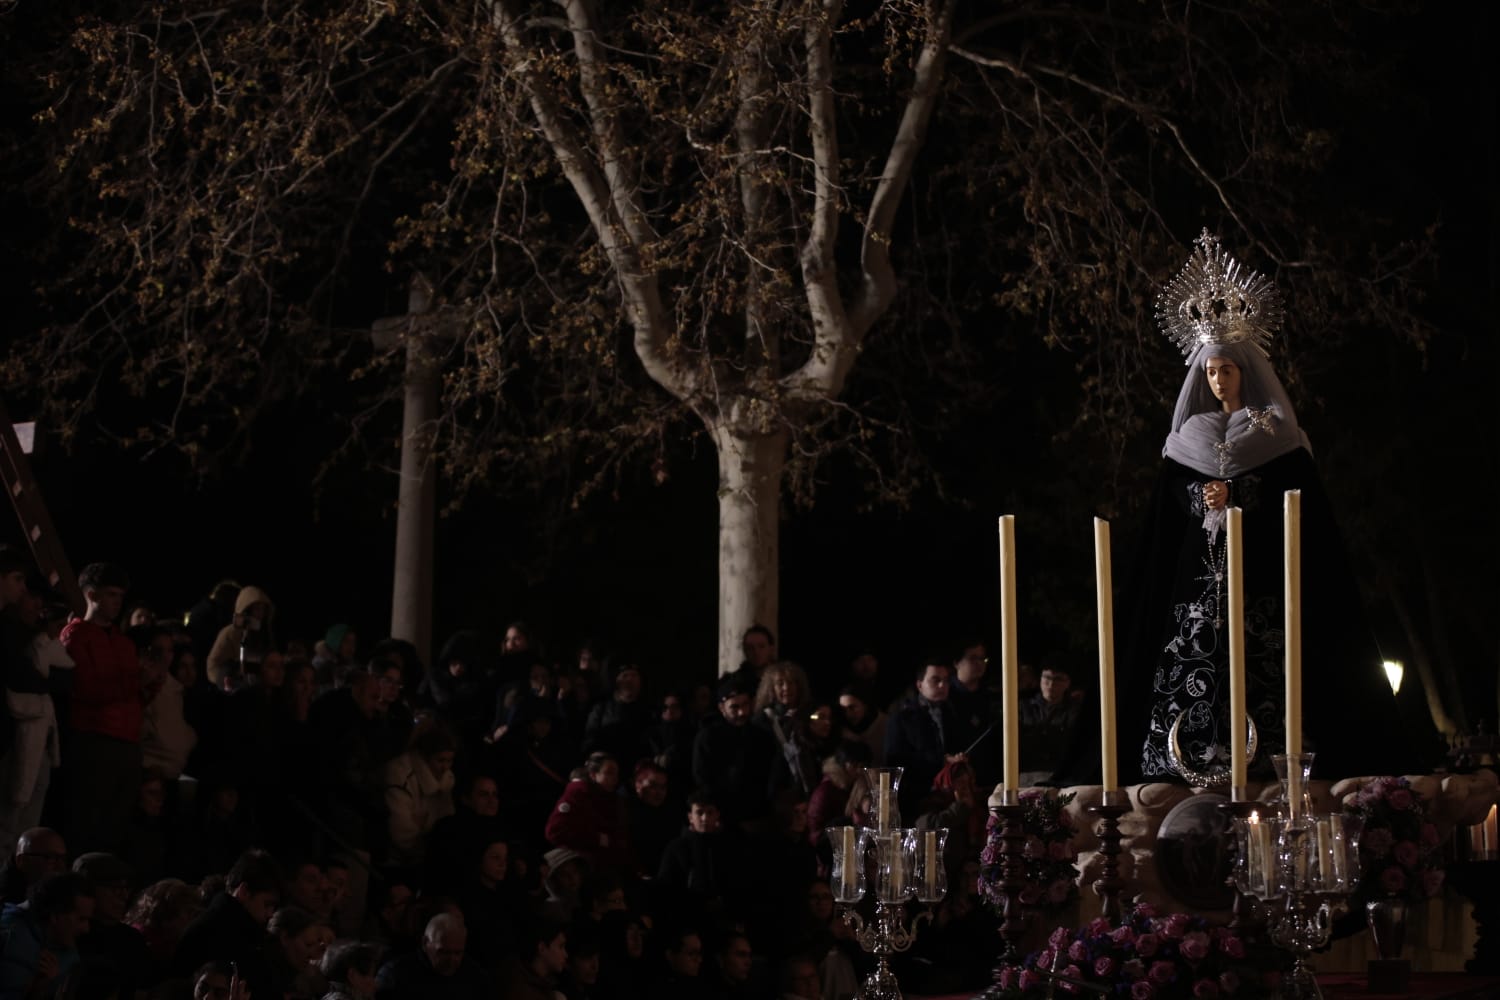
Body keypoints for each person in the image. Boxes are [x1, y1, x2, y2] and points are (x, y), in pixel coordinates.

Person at [1105, 231, 1415, 784]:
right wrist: (1200, 495)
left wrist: (1243, 495)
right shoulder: (1189, 437)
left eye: (1225, 369)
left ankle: (1274, 752)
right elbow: (1168, 509)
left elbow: (1298, 502)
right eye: (1209, 371)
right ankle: (1186, 755)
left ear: (1244, 370)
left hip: (1266, 575)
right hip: (1198, 579)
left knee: (1271, 660)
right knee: (1192, 658)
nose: (1217, 379)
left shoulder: (1275, 434)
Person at [60, 562, 143, 855]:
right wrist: (132, 684)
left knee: (115, 826)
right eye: (111, 595)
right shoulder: (76, 635)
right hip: (94, 741)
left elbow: (135, 693)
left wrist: (147, 683)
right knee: (88, 824)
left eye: (120, 596)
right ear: (92, 595)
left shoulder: (122, 642)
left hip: (126, 741)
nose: (117, 602)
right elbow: (84, 688)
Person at [0, 871, 95, 1000]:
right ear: (55, 916)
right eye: (81, 919)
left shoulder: (65, 946)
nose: (86, 929)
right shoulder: (12, 942)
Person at [1018, 665, 1080, 785]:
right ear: (1040, 679)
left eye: (1058, 679)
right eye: (1047, 677)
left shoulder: (1075, 710)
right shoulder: (1023, 707)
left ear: (1067, 683)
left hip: (1061, 774)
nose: (1051, 684)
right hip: (1028, 774)